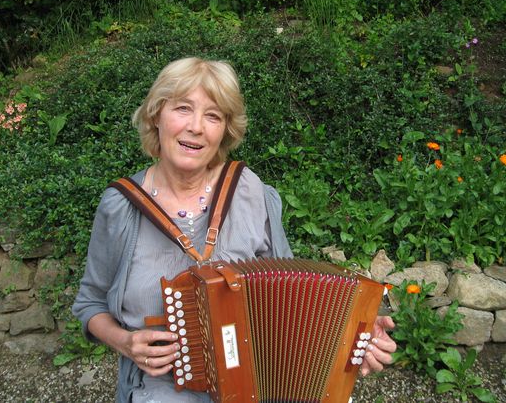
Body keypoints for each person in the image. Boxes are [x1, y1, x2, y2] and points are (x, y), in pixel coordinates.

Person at [72, 57, 396, 402]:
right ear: (156, 116)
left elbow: (293, 305)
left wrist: (355, 335)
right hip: (161, 388)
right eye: (183, 108)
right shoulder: (121, 206)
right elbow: (90, 303)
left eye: (213, 116)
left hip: (257, 383)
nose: (196, 127)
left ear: (225, 130)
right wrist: (125, 342)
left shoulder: (249, 191)